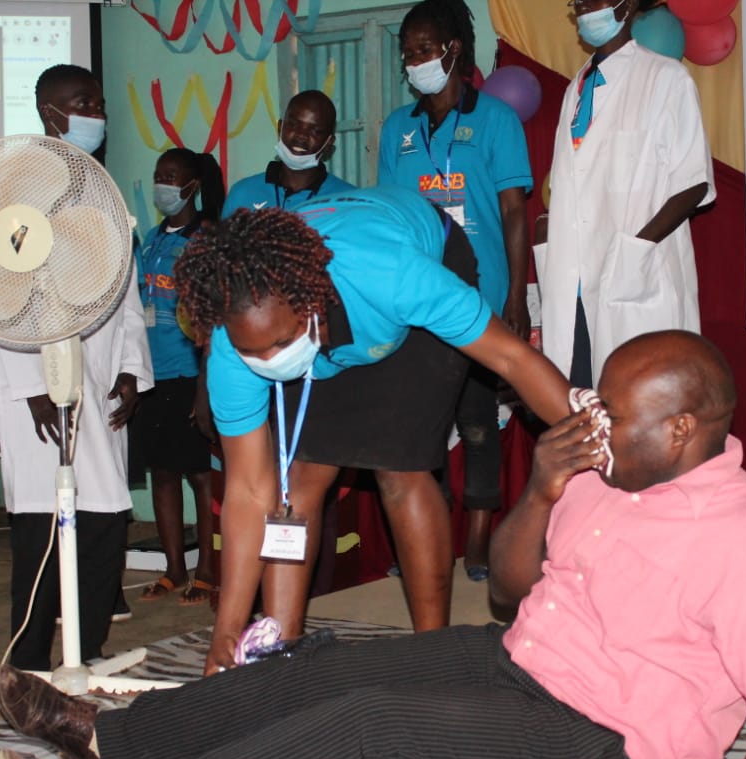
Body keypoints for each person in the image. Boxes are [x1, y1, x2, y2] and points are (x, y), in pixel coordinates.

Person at [0, 330, 746, 759]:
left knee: (368, 728)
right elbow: (509, 589)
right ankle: (111, 736)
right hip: (519, 662)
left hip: (608, 754)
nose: (590, 420)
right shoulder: (605, 470)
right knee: (325, 668)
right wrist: (543, 488)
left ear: (682, 429)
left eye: (611, 414)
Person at [181, 185, 571, 672]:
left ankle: (431, 652)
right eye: (252, 353)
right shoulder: (235, 343)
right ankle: (278, 651)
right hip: (324, 312)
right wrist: (225, 634)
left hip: (412, 271)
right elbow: (247, 491)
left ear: (312, 304)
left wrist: (593, 435)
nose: (268, 363)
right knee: (296, 480)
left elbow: (512, 358)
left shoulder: (394, 276)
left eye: (278, 345)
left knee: (399, 469)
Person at [0, 63, 152, 670]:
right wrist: (34, 386)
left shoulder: (101, 191)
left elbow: (127, 294)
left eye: (99, 103)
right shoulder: (15, 194)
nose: (95, 114)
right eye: (83, 103)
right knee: (41, 530)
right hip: (41, 389)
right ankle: (29, 661)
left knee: (105, 518)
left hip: (100, 381)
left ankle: (89, 650)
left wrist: (131, 369)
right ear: (49, 112)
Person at [379, 0, 533, 582]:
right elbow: (391, 216)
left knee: (477, 422)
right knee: (420, 426)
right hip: (418, 300)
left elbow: (514, 212)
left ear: (454, 50)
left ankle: (478, 541)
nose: (415, 61)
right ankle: (428, 538)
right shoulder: (397, 129)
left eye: (424, 49)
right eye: (408, 53)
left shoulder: (496, 120)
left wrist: (515, 298)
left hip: (481, 297)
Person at [539, 0, 713, 388]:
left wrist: (634, 251)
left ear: (628, 4)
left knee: (641, 401)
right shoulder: (575, 89)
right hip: (574, 287)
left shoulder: (666, 79)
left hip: (635, 279)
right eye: (578, 1)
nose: (584, 7)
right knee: (582, 401)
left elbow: (693, 182)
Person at [132, 147, 224, 607]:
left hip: (190, 373)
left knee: (201, 476)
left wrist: (204, 385)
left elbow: (213, 316)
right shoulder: (150, 240)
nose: (162, 185)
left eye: (171, 177)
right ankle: (173, 569)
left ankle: (206, 571)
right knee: (162, 473)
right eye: (158, 175)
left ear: (192, 186)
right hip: (152, 374)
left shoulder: (206, 240)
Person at [221, 90, 352, 215]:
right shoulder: (243, 193)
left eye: (315, 131)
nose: (301, 135)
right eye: (294, 125)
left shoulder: (347, 200)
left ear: (328, 142)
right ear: (280, 128)